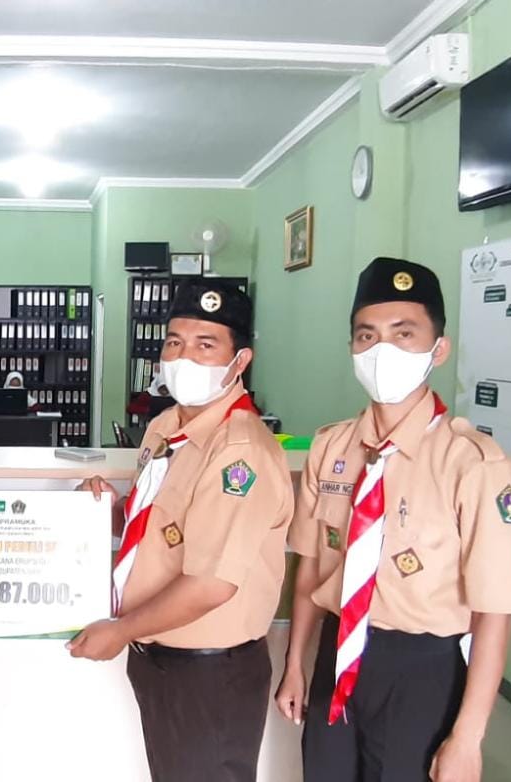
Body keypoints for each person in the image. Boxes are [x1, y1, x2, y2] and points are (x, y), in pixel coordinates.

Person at [275, 257, 511, 782]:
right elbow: (311, 566)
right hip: (337, 652)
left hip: (421, 669)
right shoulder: (331, 447)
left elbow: (494, 612)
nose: (381, 349)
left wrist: (468, 738)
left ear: (439, 349)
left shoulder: (475, 466)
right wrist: (295, 662)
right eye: (366, 335)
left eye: (403, 333)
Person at [67, 279, 293, 781]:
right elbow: (153, 525)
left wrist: (119, 631)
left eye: (205, 345)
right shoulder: (165, 428)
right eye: (174, 342)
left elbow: (212, 583)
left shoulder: (239, 453)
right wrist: (105, 509)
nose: (184, 356)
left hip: (210, 673)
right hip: (159, 657)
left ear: (240, 360)